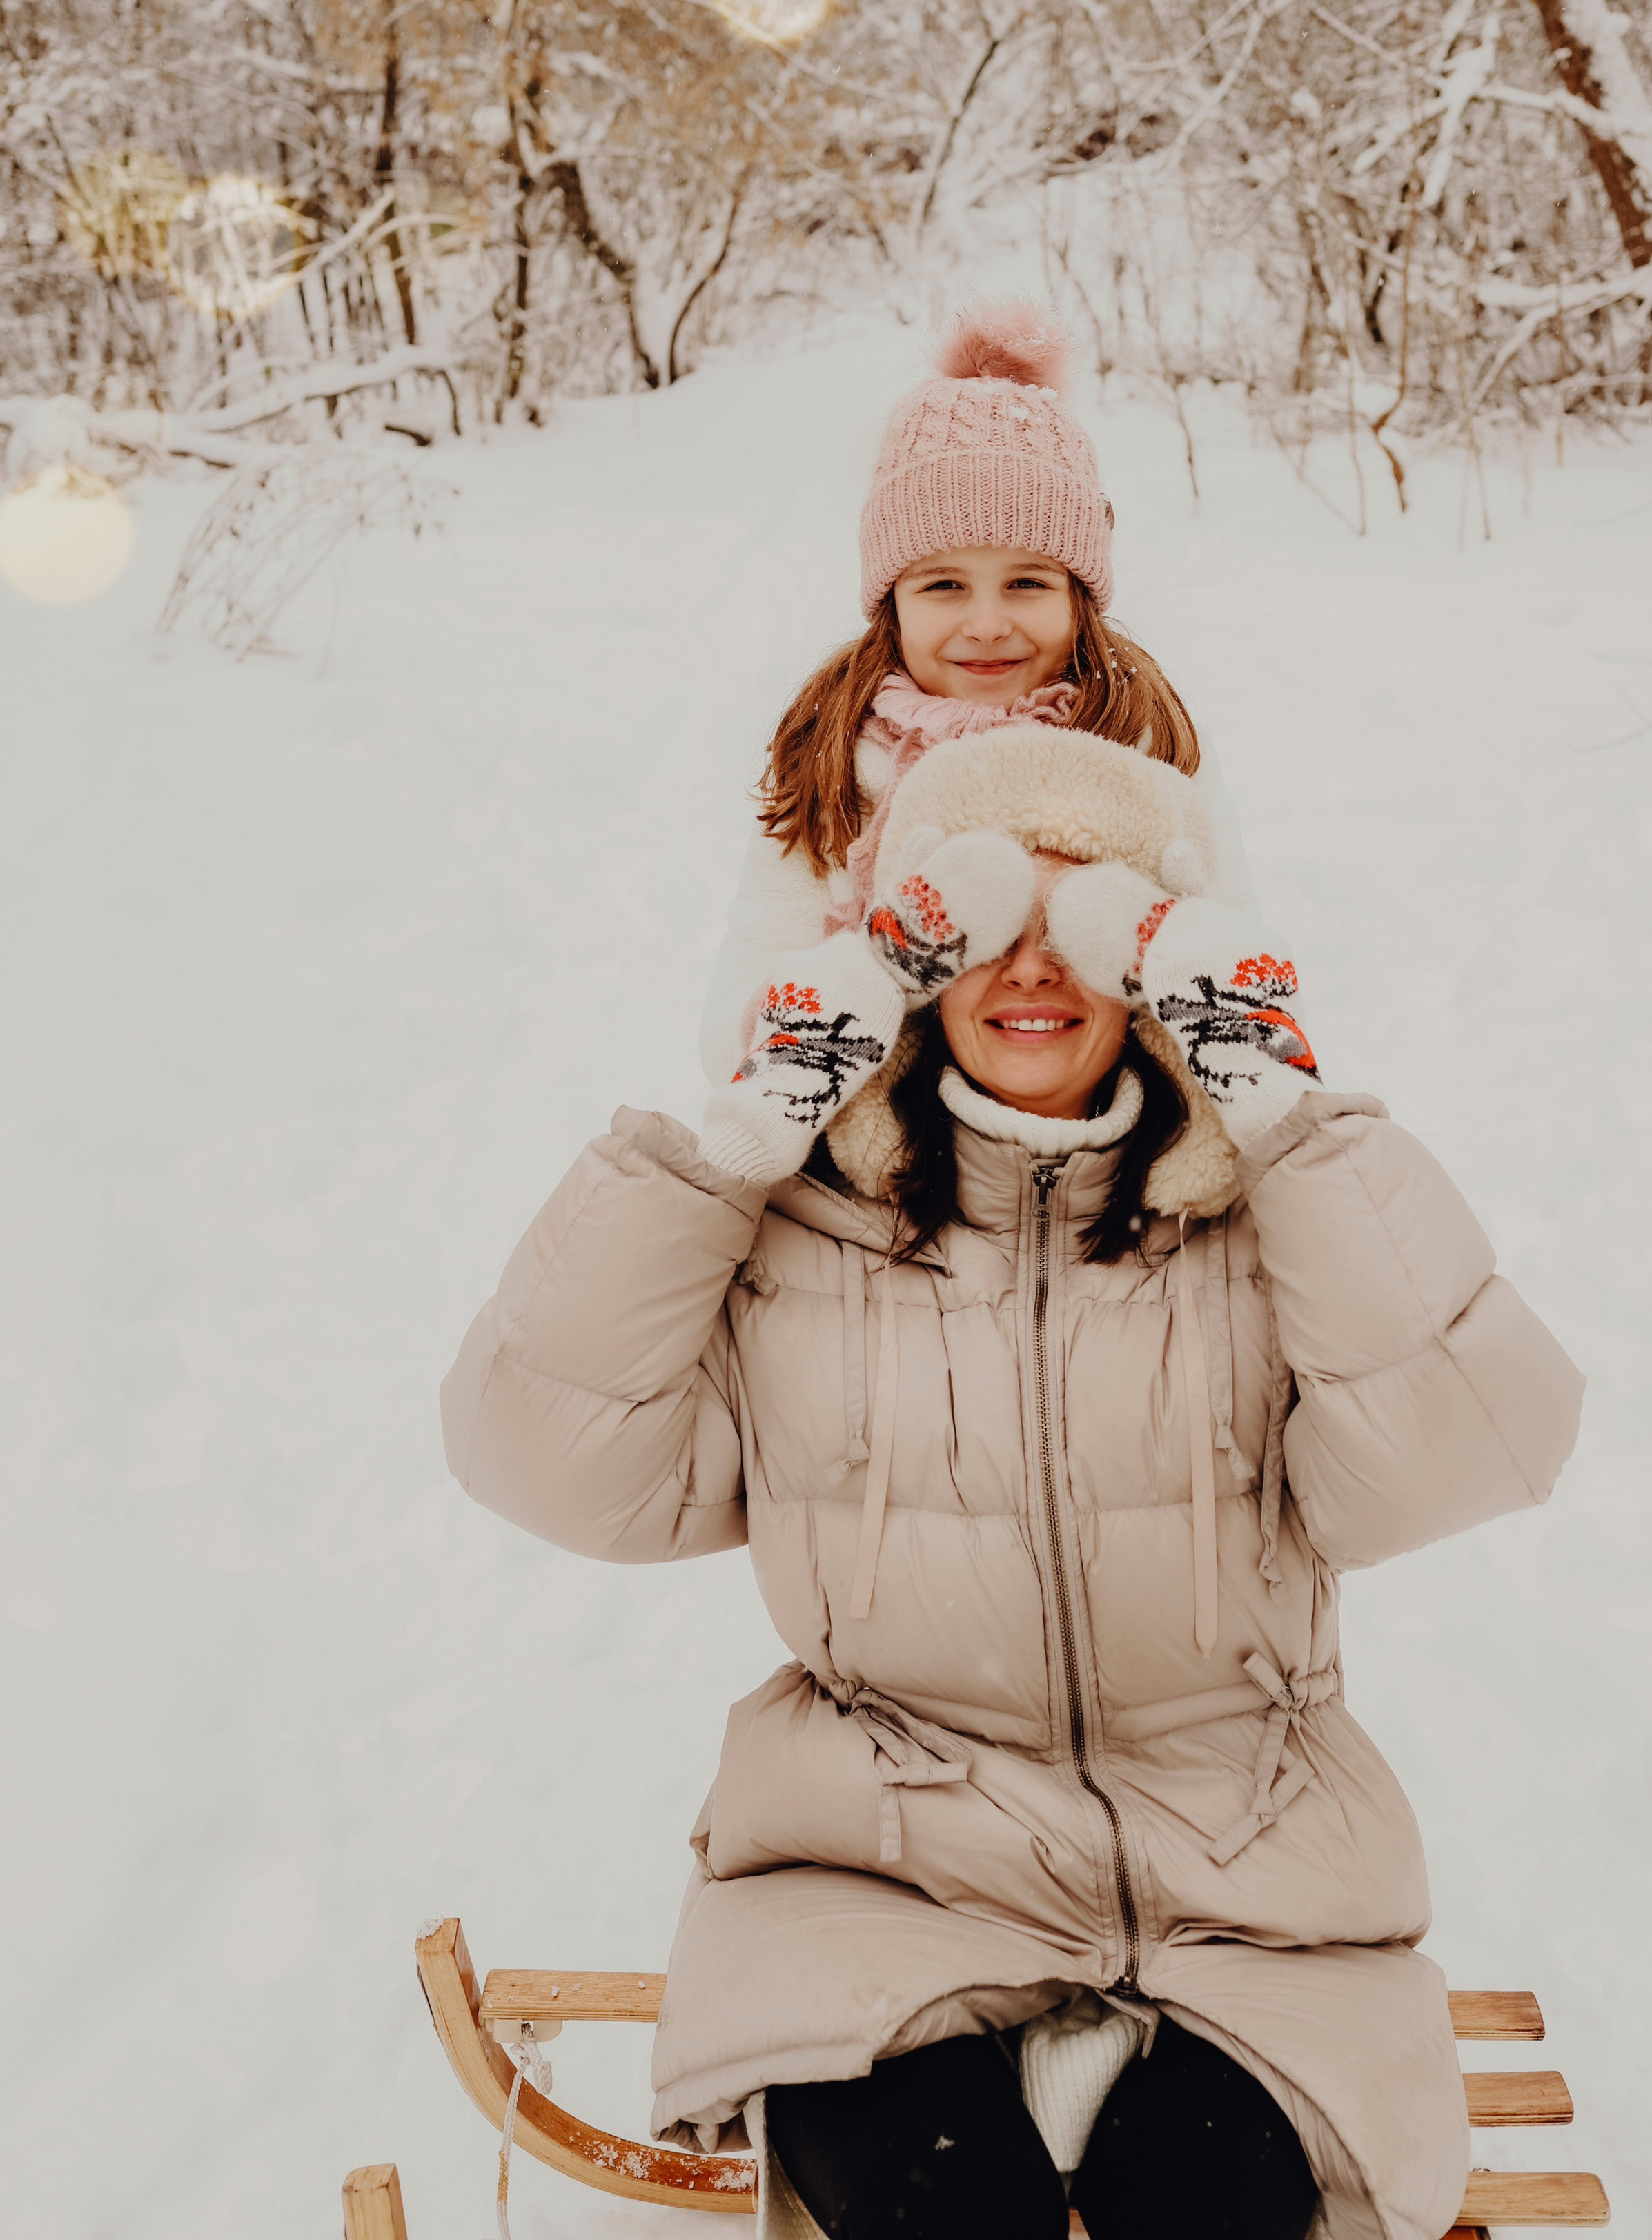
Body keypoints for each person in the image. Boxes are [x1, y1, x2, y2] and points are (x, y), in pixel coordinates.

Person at [442, 714, 1585, 2240]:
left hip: (1253, 1892)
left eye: (1088, 922)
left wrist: (1280, 1112)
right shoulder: (797, 1232)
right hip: (881, 1876)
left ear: (1158, 968)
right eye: (984, 917)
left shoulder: (1268, 1227)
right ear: (902, 966)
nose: (1034, 967)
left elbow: (1475, 1444)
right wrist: (730, 1147)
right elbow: (544, 1462)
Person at [698, 299, 1252, 1087]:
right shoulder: (834, 762)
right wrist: (885, 959)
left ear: (1079, 596)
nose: (986, 624)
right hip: (876, 1187)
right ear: (891, 602)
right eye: (944, 584)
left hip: (1112, 1171)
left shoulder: (1144, 746)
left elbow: (1250, 983)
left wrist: (1167, 948)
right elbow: (735, 1039)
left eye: (1026, 582)